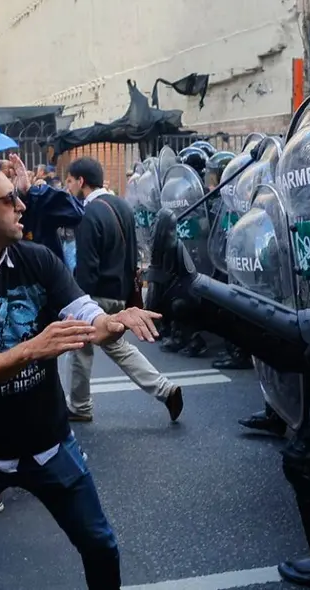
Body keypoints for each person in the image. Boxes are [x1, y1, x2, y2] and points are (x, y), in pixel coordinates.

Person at [0, 158, 163, 589]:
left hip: (48, 443)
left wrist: (111, 322)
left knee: (100, 544)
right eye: (9, 198)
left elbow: (84, 314)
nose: (22, 205)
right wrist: (33, 348)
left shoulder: (37, 260)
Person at [66, 157, 184, 422]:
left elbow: (87, 265)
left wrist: (80, 301)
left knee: (80, 351)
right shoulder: (122, 205)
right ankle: (166, 390)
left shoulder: (87, 213)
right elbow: (133, 252)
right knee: (120, 348)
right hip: (120, 295)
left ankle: (79, 406)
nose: (68, 187)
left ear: (81, 181)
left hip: (95, 296)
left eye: (70, 181)